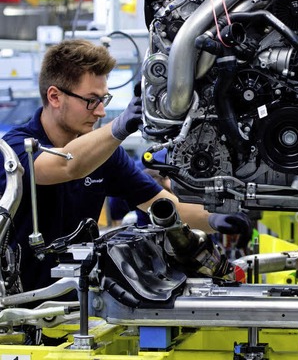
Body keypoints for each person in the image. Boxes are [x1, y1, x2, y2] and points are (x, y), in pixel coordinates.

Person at [0, 39, 251, 292]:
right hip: (19, 309)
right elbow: (65, 165)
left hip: (79, 305)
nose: (99, 111)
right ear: (55, 96)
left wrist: (218, 217)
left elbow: (163, 205)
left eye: (103, 100)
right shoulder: (14, 149)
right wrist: (119, 126)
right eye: (91, 100)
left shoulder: (105, 156)